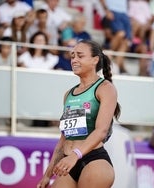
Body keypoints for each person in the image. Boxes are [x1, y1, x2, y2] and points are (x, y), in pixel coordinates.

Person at [37, 39, 121, 188]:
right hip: (69, 161)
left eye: (80, 56)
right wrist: (47, 176)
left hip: (94, 161)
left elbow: (101, 131)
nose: (74, 60)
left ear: (95, 60)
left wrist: (75, 155)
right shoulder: (69, 94)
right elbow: (63, 140)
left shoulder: (105, 88)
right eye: (72, 56)